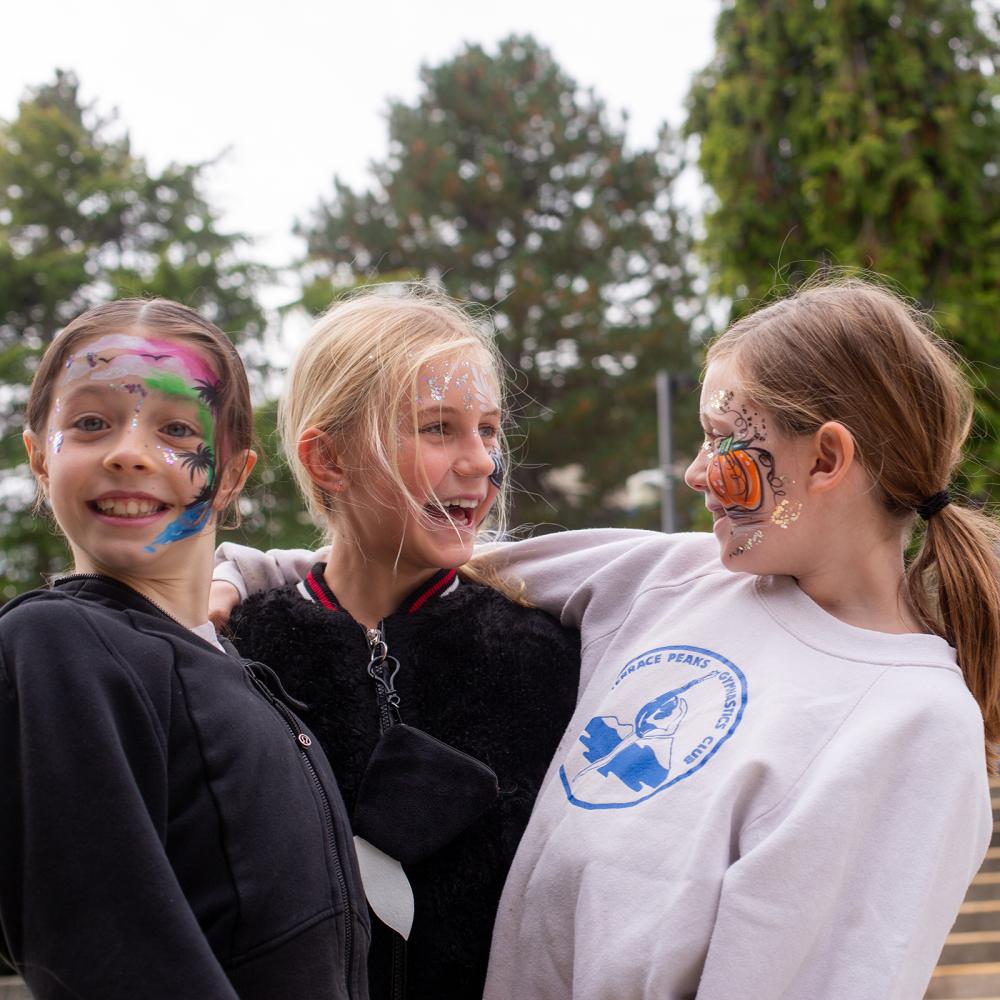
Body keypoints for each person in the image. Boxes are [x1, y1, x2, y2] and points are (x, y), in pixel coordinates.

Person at [212, 278, 997, 999]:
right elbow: (384, 554)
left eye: (722, 439)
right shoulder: (670, 579)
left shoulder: (916, 726)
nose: (693, 472)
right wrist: (231, 579)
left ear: (826, 458)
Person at [211, 287, 580, 1000]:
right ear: (328, 461)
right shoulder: (236, 656)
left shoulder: (547, 656)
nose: (480, 463)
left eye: (488, 430)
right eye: (439, 428)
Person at [0, 299, 369, 1000]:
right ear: (39, 460)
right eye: (89, 424)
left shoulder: (240, 666)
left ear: (231, 474)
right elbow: (101, 946)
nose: (129, 451)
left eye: (176, 429)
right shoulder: (54, 645)